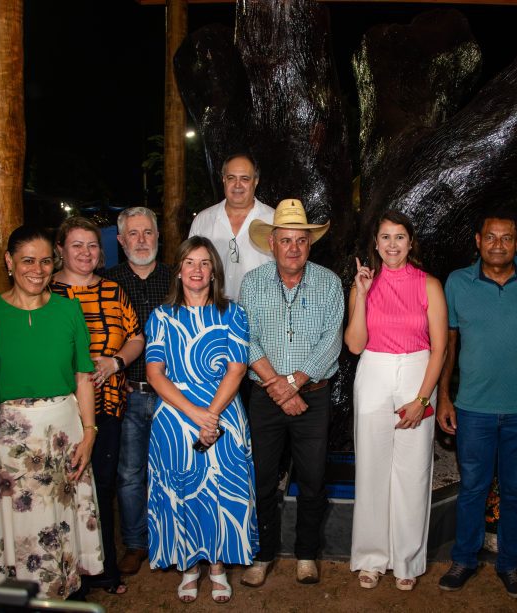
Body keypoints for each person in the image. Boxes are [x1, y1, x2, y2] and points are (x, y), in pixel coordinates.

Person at [0, 225, 104, 599]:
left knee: (62, 514)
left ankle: (63, 589)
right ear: (9, 262)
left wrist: (90, 431)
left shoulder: (69, 310)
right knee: (15, 518)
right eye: (27, 260)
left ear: (55, 264)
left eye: (46, 261)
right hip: (9, 437)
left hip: (65, 431)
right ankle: (15, 591)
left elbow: (84, 376)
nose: (37, 269)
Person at [436, 206, 517, 597]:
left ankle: (510, 564)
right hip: (474, 407)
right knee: (473, 487)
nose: (497, 244)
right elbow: (449, 344)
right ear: (477, 241)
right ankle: (464, 558)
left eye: (506, 238)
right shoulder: (457, 283)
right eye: (490, 237)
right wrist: (444, 397)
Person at [145, 236, 258, 604]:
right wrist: (196, 414)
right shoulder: (162, 316)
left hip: (224, 412)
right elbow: (155, 373)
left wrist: (211, 414)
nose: (196, 270)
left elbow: (237, 367)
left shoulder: (233, 312)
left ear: (214, 272)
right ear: (178, 270)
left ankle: (218, 567)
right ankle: (189, 567)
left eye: (204, 263)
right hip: (175, 418)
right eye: (189, 262)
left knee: (221, 492)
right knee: (181, 492)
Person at [238, 199, 344, 587]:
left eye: (301, 241)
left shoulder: (330, 283)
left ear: (309, 245)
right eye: (286, 241)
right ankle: (263, 554)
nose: (294, 248)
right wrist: (279, 388)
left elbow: (331, 343)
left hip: (312, 396)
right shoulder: (252, 283)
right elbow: (246, 340)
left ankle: (305, 554)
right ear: (272, 244)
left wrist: (294, 384)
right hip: (265, 396)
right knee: (263, 478)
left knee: (314, 479)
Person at [344, 210, 447, 591]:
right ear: (375, 243)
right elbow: (355, 345)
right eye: (385, 237)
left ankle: (406, 559)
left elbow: (441, 347)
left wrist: (423, 398)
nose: (392, 244)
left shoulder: (429, 285)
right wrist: (363, 293)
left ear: (410, 242)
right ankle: (371, 558)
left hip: (419, 371)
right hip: (374, 370)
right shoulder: (362, 285)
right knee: (371, 468)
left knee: (413, 470)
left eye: (399, 237)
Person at [50, 216, 144, 596]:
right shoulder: (47, 292)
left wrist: (116, 361)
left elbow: (137, 337)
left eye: (91, 245)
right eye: (77, 245)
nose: (86, 252)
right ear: (60, 250)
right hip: (62, 408)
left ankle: (102, 570)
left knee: (101, 487)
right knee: (62, 489)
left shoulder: (113, 290)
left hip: (107, 404)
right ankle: (66, 575)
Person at [103, 207, 173, 576]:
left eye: (148, 232)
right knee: (130, 474)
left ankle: (172, 538)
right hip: (127, 393)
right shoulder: (107, 283)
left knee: (173, 470)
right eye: (133, 234)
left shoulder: (177, 279)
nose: (141, 240)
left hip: (172, 395)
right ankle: (135, 544)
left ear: (158, 237)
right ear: (120, 240)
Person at [188, 153, 276, 301]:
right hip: (213, 313)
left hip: (260, 316)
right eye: (231, 178)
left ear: (256, 181)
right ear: (223, 179)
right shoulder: (203, 220)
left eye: (245, 179)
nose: (237, 185)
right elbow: (189, 269)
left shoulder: (273, 221)